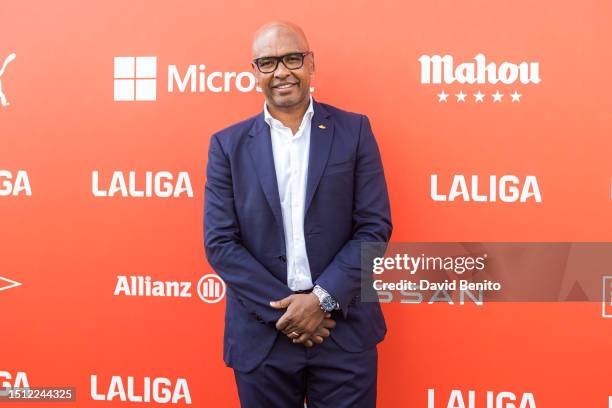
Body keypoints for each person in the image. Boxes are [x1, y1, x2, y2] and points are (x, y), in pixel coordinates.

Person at [204, 20, 392, 408]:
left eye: (292, 58)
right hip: (263, 336)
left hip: (342, 332)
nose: (282, 72)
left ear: (311, 63)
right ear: (254, 72)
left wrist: (320, 300)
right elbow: (220, 244)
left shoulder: (354, 131)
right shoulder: (227, 146)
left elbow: (373, 229)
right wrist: (290, 312)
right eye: (268, 63)